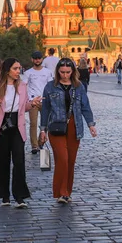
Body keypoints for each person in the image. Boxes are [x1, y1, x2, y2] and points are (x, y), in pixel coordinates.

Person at [39, 57, 97, 204]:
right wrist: (42, 130)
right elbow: (45, 110)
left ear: (73, 72)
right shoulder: (50, 87)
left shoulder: (79, 86)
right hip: (56, 126)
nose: (65, 75)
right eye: (62, 72)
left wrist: (91, 124)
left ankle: (66, 192)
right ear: (58, 72)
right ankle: (61, 192)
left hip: (74, 126)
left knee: (70, 161)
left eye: (68, 72)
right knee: (62, 159)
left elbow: (85, 106)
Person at [0, 57, 41, 208]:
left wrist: (33, 103)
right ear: (7, 70)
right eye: (15, 69)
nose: (18, 71)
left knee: (19, 161)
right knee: (2, 162)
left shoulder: (22, 86)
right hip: (2, 126)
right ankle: (4, 196)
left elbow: (24, 107)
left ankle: (20, 196)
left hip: (18, 125)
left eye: (19, 69)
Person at [23, 51, 54, 154]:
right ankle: (34, 146)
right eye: (35, 58)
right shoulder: (28, 73)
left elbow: (50, 86)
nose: (37, 60)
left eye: (39, 58)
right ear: (32, 59)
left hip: (45, 101)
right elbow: (24, 86)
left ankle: (41, 141)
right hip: (33, 101)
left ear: (42, 59)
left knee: (46, 124)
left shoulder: (48, 72)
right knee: (33, 124)